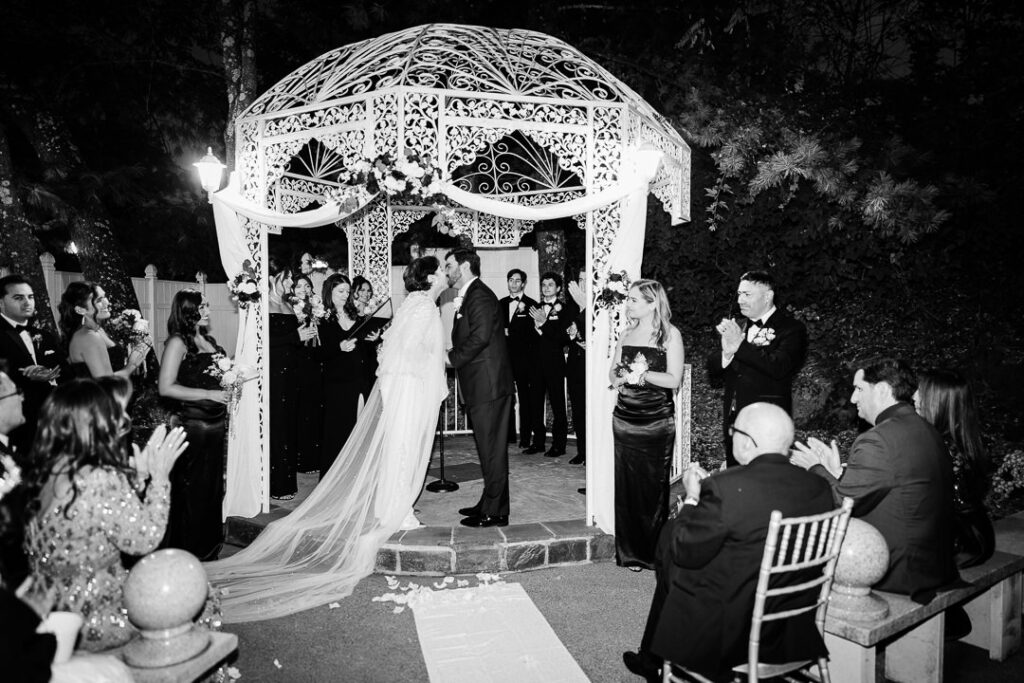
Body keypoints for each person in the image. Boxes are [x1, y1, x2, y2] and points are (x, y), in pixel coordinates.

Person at [204, 256, 449, 622]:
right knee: (399, 447)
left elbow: (390, 348)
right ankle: (395, 509)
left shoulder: (413, 305)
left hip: (383, 383)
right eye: (441, 270)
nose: (446, 274)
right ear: (430, 276)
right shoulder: (424, 307)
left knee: (394, 447)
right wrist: (437, 357)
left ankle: (390, 504)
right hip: (398, 387)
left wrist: (374, 344)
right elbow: (414, 352)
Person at [623, 403, 836, 682]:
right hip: (793, 622)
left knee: (672, 546)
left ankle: (654, 659)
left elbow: (684, 551)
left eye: (733, 430)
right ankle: (651, 659)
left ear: (748, 442)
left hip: (731, 630)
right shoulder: (818, 487)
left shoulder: (726, 486)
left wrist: (691, 498)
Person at [22, 379, 189, 651]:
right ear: (96, 424)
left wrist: (139, 476)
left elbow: (90, 517)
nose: (124, 418)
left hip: (44, 606)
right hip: (94, 614)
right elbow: (143, 540)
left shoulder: (42, 472)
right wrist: (159, 480)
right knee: (200, 600)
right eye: (114, 413)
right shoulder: (99, 478)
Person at [791, 357, 960, 598]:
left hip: (898, 571)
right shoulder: (925, 428)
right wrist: (837, 473)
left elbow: (842, 504)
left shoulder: (878, 438)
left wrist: (815, 469)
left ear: (881, 390)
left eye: (860, 389)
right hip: (934, 564)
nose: (853, 399)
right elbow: (894, 486)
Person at [609, 279, 684, 570]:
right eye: (628, 299)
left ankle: (654, 552)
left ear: (652, 303)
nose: (628, 304)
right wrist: (619, 377)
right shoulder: (626, 333)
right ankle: (630, 553)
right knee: (627, 487)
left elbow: (674, 380)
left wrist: (643, 374)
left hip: (656, 420)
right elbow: (613, 372)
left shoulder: (669, 335)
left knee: (652, 488)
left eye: (633, 300)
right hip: (625, 417)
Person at [157, 289, 233, 560]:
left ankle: (207, 547)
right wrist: (209, 394)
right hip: (193, 425)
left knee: (211, 487)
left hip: (215, 425)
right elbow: (166, 387)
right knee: (191, 488)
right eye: (205, 306)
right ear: (190, 310)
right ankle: (186, 549)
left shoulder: (208, 339)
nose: (209, 310)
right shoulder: (178, 342)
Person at [446, 247, 515, 527]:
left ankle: (496, 512)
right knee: (488, 449)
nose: (447, 270)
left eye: (449, 265)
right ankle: (490, 501)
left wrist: (451, 358)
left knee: (492, 449)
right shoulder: (472, 295)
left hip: (489, 386)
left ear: (463, 266)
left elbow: (481, 337)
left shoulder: (480, 296)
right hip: (481, 385)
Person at [709, 270, 807, 467]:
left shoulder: (791, 328)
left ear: (768, 296)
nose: (740, 300)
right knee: (736, 479)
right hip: (734, 420)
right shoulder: (738, 325)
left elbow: (780, 366)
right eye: (739, 294)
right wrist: (726, 354)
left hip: (768, 422)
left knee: (768, 482)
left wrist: (741, 346)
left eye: (747, 294)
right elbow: (713, 371)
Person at [915, 369, 995, 568]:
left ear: (938, 401)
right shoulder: (960, 439)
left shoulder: (943, 448)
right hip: (973, 537)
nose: (914, 396)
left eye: (920, 391)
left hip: (960, 545)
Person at [318, 273, 382, 474]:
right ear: (330, 292)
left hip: (360, 379)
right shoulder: (321, 319)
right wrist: (339, 347)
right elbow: (315, 354)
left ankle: (357, 475)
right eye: (341, 291)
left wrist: (374, 339)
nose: (346, 295)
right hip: (337, 383)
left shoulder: (358, 316)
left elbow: (365, 349)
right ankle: (334, 477)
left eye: (347, 291)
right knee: (337, 432)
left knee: (360, 429)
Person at [267, 257, 318, 499]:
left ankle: (288, 482)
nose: (290, 282)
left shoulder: (288, 306)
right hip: (274, 375)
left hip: (292, 373)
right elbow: (262, 344)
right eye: (285, 278)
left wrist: (303, 338)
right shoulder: (262, 305)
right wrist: (293, 338)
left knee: (289, 426)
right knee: (276, 427)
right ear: (271, 279)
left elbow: (292, 340)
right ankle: (276, 485)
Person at [0, 275, 67, 453]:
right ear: (1, 302)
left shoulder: (45, 336)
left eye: (30, 297)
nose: (27, 302)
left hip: (52, 421)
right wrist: (25, 376)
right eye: (18, 298)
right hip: (14, 422)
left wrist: (51, 375)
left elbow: (67, 372)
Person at [525, 272, 578, 457]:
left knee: (557, 405)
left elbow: (562, 338)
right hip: (535, 364)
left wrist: (544, 323)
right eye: (544, 284)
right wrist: (536, 329)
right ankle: (537, 442)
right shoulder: (535, 307)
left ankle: (559, 445)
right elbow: (529, 338)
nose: (546, 287)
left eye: (550, 284)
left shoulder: (566, 309)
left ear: (558, 288)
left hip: (554, 363)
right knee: (535, 404)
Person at [59, 281, 149, 380]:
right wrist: (132, 365)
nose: (107, 302)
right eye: (98, 300)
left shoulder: (97, 330)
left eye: (104, 297)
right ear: (80, 310)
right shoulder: (88, 337)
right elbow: (106, 384)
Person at [499, 268, 538, 449]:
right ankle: (508, 435)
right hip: (504, 359)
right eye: (510, 280)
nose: (513, 283)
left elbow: (534, 335)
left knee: (525, 397)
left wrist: (510, 333)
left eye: (517, 280)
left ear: (523, 283)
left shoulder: (532, 305)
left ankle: (525, 437)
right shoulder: (500, 303)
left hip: (525, 360)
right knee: (506, 396)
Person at [291, 275, 324, 473]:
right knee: (300, 411)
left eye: (307, 285)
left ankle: (313, 457)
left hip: (315, 359)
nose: (304, 288)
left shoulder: (315, 306)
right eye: (299, 285)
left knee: (314, 410)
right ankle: (301, 458)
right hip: (298, 361)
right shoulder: (290, 307)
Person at [566, 266, 587, 465]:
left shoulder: (599, 305)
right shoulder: (572, 305)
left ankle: (593, 453)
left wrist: (585, 308)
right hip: (575, 365)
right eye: (580, 279)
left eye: (587, 280)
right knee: (578, 410)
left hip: (591, 369)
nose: (582, 284)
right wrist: (571, 334)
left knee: (591, 411)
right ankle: (582, 451)